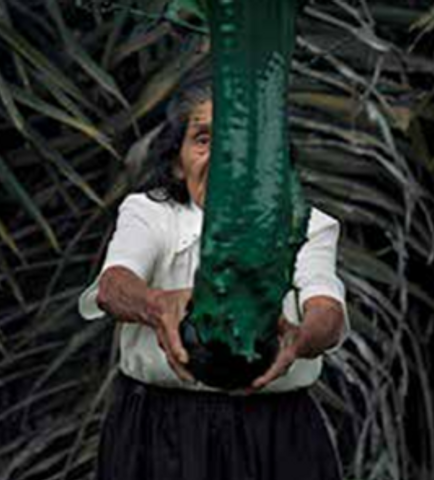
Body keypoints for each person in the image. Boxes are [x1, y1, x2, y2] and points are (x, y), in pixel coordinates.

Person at [79, 72, 349, 480]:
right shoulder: (149, 214)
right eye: (204, 139)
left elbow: (327, 311)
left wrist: (299, 338)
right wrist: (158, 305)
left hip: (275, 433)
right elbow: (113, 286)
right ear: (177, 162)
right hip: (159, 431)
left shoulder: (307, 226)